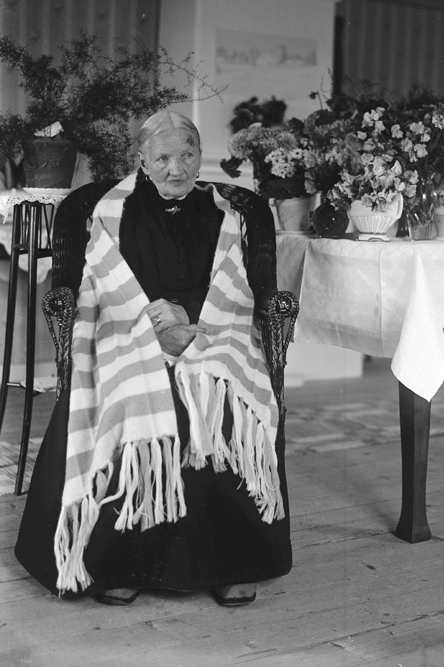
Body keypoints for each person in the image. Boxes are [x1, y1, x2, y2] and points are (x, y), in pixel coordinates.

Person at [15, 110, 292, 607]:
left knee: (218, 388)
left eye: (187, 155)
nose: (176, 168)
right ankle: (122, 563)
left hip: (212, 325)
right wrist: (151, 325)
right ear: (142, 159)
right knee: (129, 386)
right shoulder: (111, 210)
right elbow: (100, 288)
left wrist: (190, 319)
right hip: (127, 327)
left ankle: (234, 563)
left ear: (199, 156)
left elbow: (235, 289)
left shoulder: (224, 213)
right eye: (163, 158)